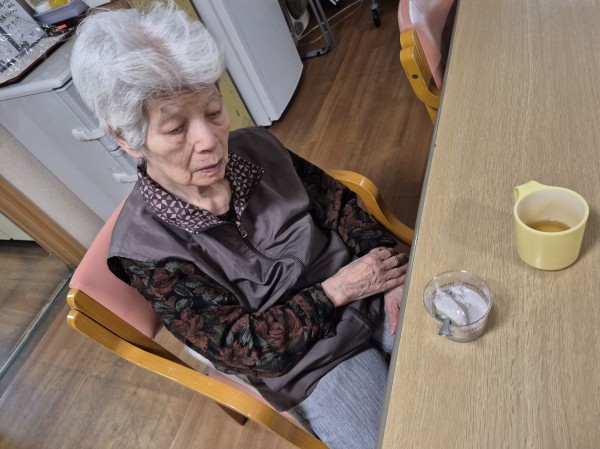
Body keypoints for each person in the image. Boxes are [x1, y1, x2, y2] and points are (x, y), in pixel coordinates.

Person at [70, 4, 409, 449]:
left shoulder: (257, 147)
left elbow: (337, 204)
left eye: (214, 111)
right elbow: (243, 346)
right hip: (312, 361)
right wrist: (338, 290)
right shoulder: (145, 253)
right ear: (126, 138)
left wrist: (385, 264)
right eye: (176, 128)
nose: (209, 141)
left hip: (371, 283)